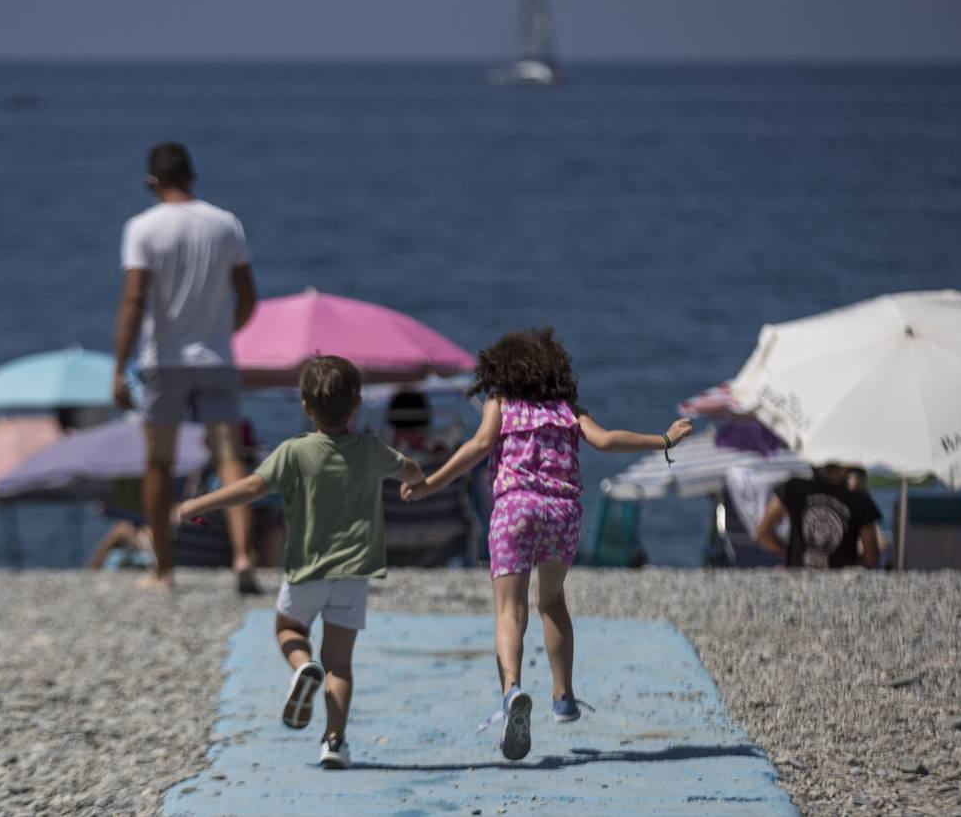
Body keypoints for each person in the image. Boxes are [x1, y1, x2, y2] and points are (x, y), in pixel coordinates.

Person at [402, 328, 694, 761]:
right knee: (553, 602)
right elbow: (608, 440)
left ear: (500, 372)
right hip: (562, 513)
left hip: (515, 510)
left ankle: (512, 691)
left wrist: (430, 484)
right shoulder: (567, 410)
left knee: (510, 611)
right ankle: (563, 696)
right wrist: (665, 439)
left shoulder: (499, 405)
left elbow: (479, 446)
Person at [176, 356, 426, 770]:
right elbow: (412, 470)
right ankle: (334, 741)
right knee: (341, 665)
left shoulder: (293, 452)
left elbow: (251, 488)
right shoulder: (370, 450)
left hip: (307, 570)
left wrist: (197, 504)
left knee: (289, 628)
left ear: (306, 407)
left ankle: (301, 665)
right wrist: (413, 485)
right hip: (354, 574)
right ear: (357, 405)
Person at [113, 142, 259, 592]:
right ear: (192, 177)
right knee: (230, 456)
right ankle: (241, 556)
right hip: (215, 357)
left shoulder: (142, 227)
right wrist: (222, 334)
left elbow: (135, 299)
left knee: (158, 464)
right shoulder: (225, 223)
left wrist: (119, 365)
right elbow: (249, 298)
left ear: (152, 182)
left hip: (164, 359)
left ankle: (163, 569)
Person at [755, 464, 882, 569]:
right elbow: (871, 559)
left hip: (797, 579)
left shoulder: (793, 488)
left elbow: (762, 532)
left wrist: (790, 552)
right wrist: (846, 565)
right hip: (840, 585)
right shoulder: (860, 501)